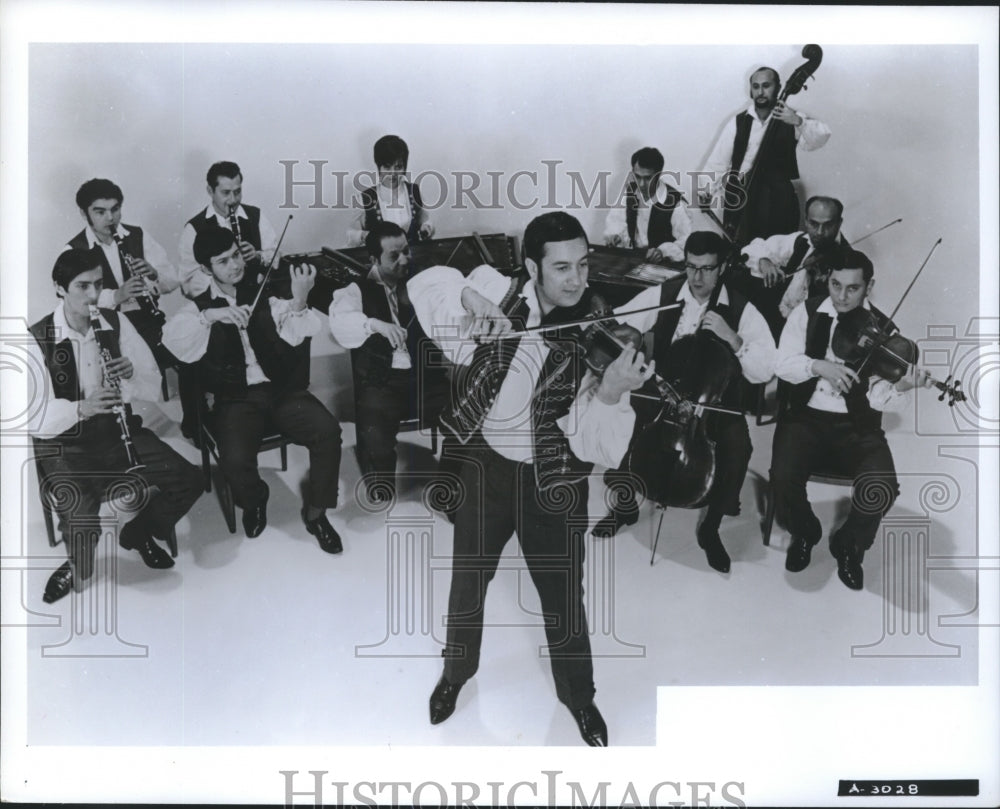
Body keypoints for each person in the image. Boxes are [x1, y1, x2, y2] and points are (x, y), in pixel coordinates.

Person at [408, 211, 650, 746]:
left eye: (584, 265)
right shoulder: (498, 290)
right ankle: (455, 676)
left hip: (553, 480)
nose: (577, 280)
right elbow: (425, 279)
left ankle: (580, 699)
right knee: (467, 585)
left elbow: (596, 447)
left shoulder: (599, 332)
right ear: (530, 268)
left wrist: (609, 391)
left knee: (564, 596)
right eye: (561, 267)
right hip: (483, 467)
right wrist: (472, 300)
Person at [592, 231, 776, 573]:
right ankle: (624, 505)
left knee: (739, 449)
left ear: (721, 268)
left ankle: (710, 528)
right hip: (662, 395)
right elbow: (619, 324)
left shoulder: (741, 308)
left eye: (706, 269)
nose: (696, 278)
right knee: (621, 427)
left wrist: (733, 339)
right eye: (691, 267)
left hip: (713, 403)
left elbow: (765, 369)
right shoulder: (665, 293)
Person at [28, 248, 202, 603]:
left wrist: (132, 375)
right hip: (65, 443)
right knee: (82, 521)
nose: (93, 296)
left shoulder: (116, 323)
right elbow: (33, 417)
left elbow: (155, 385)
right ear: (59, 288)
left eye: (98, 285)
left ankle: (138, 533)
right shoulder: (37, 338)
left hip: (116, 433)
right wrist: (82, 407)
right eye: (82, 286)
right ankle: (77, 568)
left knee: (189, 478)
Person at [162, 228, 344, 553]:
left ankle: (317, 513)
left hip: (281, 391)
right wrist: (209, 316)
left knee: (328, 430)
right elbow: (172, 340)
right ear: (206, 269)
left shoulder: (266, 292)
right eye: (223, 261)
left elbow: (301, 328)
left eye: (236, 255)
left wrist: (301, 299)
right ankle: (256, 499)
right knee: (233, 459)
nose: (234, 265)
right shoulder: (196, 309)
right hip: (237, 400)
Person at [772, 249, 933, 590]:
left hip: (858, 426)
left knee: (882, 488)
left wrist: (903, 385)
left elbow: (880, 400)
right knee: (782, 477)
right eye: (835, 285)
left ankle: (849, 544)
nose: (842, 297)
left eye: (853, 288)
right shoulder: (807, 311)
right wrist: (818, 366)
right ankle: (805, 532)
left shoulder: (884, 331)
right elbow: (782, 364)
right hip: (805, 417)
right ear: (827, 280)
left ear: (868, 286)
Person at [328, 221, 448, 502]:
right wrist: (374, 324)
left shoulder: (419, 281)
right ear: (373, 259)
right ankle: (382, 480)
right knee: (377, 437)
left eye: (406, 251)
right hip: (382, 382)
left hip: (424, 378)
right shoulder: (356, 290)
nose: (405, 259)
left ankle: (450, 488)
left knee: (464, 419)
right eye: (394, 256)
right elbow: (341, 323)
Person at [701, 66, 831, 244]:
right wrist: (705, 191)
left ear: (778, 88)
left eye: (766, 85)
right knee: (739, 256)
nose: (760, 92)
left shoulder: (791, 117)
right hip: (740, 199)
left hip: (778, 201)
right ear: (750, 91)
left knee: (776, 253)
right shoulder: (737, 122)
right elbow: (717, 163)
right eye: (756, 87)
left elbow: (820, 137)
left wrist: (798, 121)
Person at [64, 178, 180, 365]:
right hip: (104, 330)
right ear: (84, 213)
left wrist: (153, 274)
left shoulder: (137, 235)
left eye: (115, 209)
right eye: (100, 212)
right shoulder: (74, 250)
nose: (110, 218)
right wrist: (117, 296)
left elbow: (173, 281)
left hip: (147, 324)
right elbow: (73, 301)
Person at [735, 195, 849, 339]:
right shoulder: (800, 240)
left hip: (809, 335)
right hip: (779, 322)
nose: (820, 232)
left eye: (828, 225)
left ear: (839, 223)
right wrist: (764, 261)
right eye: (814, 224)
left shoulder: (848, 259)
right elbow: (753, 248)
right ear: (806, 221)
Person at [178, 160, 279, 298]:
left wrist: (257, 256)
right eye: (226, 193)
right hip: (219, 308)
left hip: (259, 300)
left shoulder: (256, 215)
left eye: (237, 192)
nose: (233, 200)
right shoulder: (194, 228)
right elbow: (187, 285)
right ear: (210, 191)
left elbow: (277, 258)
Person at [603, 147, 692, 265]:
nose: (641, 184)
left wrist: (663, 251)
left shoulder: (676, 203)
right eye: (637, 176)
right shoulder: (628, 193)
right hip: (634, 262)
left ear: (658, 175)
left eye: (647, 178)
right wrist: (615, 236)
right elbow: (616, 222)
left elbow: (687, 241)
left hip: (665, 267)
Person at [346, 135, 434, 247]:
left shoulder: (414, 191)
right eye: (387, 167)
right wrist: (363, 235)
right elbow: (351, 234)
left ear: (404, 167)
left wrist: (426, 228)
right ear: (379, 167)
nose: (393, 173)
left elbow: (426, 221)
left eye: (398, 167)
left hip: (413, 258)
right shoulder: (365, 198)